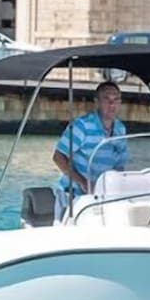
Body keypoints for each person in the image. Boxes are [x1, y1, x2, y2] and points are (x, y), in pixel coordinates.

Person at [52, 81, 128, 217]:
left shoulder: (120, 129)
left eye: (116, 99)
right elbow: (58, 157)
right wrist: (83, 183)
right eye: (107, 99)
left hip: (103, 197)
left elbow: (119, 166)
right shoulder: (82, 126)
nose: (112, 104)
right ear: (97, 102)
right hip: (73, 196)